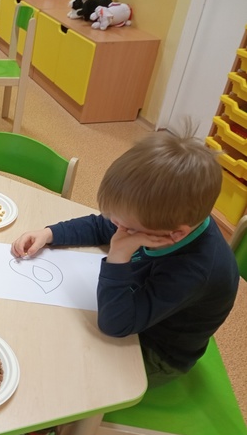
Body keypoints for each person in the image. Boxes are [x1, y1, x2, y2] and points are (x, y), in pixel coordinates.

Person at [12, 131, 239, 388]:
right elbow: (101, 226)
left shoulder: (194, 271)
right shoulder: (157, 220)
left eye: (127, 228)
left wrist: (119, 254)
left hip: (155, 352)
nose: (117, 228)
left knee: (64, 368)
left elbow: (116, 325)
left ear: (176, 234)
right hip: (139, 310)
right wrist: (50, 234)